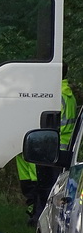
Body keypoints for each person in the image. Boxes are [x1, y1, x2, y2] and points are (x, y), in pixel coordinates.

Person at [32, 62, 77, 224]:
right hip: (65, 148)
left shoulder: (56, 96)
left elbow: (48, 123)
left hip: (53, 148)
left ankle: (45, 221)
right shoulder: (68, 95)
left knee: (49, 190)